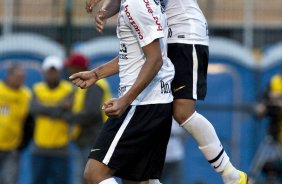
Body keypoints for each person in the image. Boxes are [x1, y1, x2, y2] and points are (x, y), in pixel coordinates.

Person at [87, 0, 248, 183]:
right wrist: (106, 10)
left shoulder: (138, 7)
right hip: (163, 33)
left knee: (183, 112)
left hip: (185, 32)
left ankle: (230, 174)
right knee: (138, 172)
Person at [69, 0, 175, 183]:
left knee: (95, 173)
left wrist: (125, 100)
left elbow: (155, 59)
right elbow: (132, 55)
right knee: (135, 180)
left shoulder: (136, 4)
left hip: (140, 105)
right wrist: (96, 74)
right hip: (154, 102)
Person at [64, 53, 112, 184]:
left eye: (71, 67)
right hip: (86, 138)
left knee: (87, 178)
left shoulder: (95, 84)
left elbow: (92, 113)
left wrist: (69, 116)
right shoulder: (84, 83)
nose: (69, 70)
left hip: (93, 138)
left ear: (77, 67)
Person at [30, 56, 74, 184]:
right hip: (39, 147)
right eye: (49, 71)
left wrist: (44, 107)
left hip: (60, 148)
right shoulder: (37, 88)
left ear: (60, 72)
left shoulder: (68, 89)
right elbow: (33, 109)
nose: (52, 74)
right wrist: (60, 106)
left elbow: (70, 113)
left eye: (55, 71)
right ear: (44, 72)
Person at [0, 64, 31, 184]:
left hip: (12, 148)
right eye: (18, 76)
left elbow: (29, 124)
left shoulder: (26, 95)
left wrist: (21, 145)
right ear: (9, 75)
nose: (20, 79)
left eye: (23, 77)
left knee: (9, 180)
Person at [162, 119, 187, 184]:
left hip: (176, 153)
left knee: (177, 180)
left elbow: (186, 132)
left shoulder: (179, 112)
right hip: (160, 155)